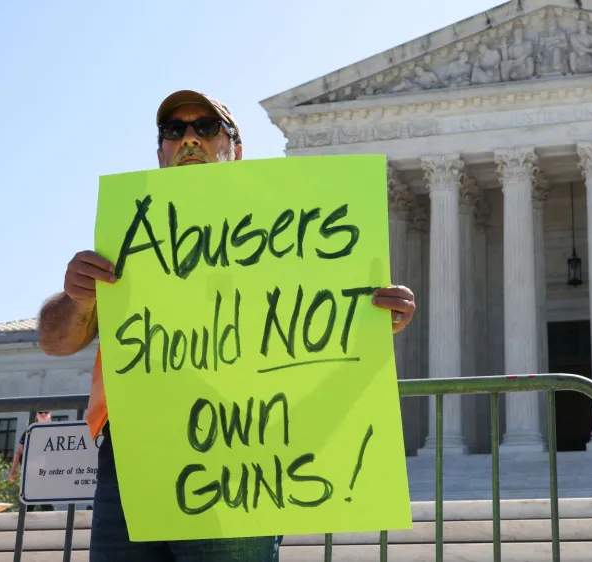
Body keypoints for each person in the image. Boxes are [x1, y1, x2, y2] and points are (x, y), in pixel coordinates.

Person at [36, 90, 417, 562]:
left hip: (243, 456)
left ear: (235, 149)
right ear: (160, 153)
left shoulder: (291, 232)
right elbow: (54, 341)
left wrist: (374, 319)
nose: (190, 138)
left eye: (207, 128)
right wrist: (77, 297)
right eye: (175, 130)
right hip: (133, 456)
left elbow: (322, 331)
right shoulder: (129, 234)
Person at [9, 411, 56, 511]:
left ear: (50, 415)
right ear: (36, 415)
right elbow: (19, 453)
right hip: (31, 472)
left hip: (46, 472)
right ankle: (23, 523)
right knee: (29, 501)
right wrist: (13, 471)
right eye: (40, 412)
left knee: (45, 500)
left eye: (46, 412)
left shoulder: (53, 431)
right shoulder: (29, 431)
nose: (43, 414)